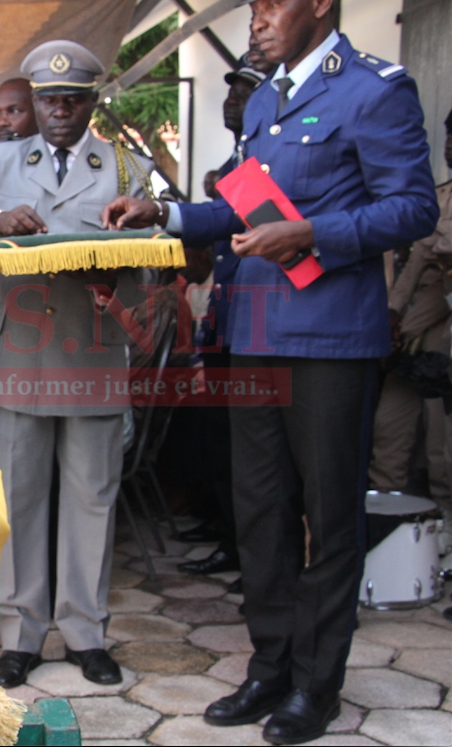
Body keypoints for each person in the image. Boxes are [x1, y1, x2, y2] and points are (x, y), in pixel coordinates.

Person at [102, 0, 439, 742]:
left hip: (328, 340)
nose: (255, 20)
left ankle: (315, 685)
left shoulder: (374, 89)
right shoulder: (266, 97)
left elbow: (412, 207)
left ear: (319, 3)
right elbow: (239, 202)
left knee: (329, 515)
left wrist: (315, 232)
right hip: (255, 332)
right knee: (259, 511)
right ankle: (270, 666)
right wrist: (162, 215)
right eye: (250, 8)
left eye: (270, 4)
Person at [0, 40, 154, 690]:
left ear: (92, 102)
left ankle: (86, 630)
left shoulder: (123, 165)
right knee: (20, 496)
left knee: (92, 497)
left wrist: (119, 271)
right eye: (48, 99)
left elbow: (152, 249)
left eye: (72, 99)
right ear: (32, 101)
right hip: (15, 352)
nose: (59, 111)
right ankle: (21, 630)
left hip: (90, 347)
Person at [178, 54, 271, 580]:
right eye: (231, 91)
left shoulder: (260, 160)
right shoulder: (239, 159)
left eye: (244, 93)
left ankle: (248, 551)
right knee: (221, 439)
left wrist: (175, 215)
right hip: (227, 318)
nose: (230, 101)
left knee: (251, 455)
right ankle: (228, 534)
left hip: (258, 322)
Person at [368, 107, 452, 498]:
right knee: (389, 434)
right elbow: (418, 261)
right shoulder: (436, 197)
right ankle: (393, 535)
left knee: (442, 447)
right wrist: (393, 317)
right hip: (409, 341)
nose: (450, 146)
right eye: (448, 137)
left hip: (438, 337)